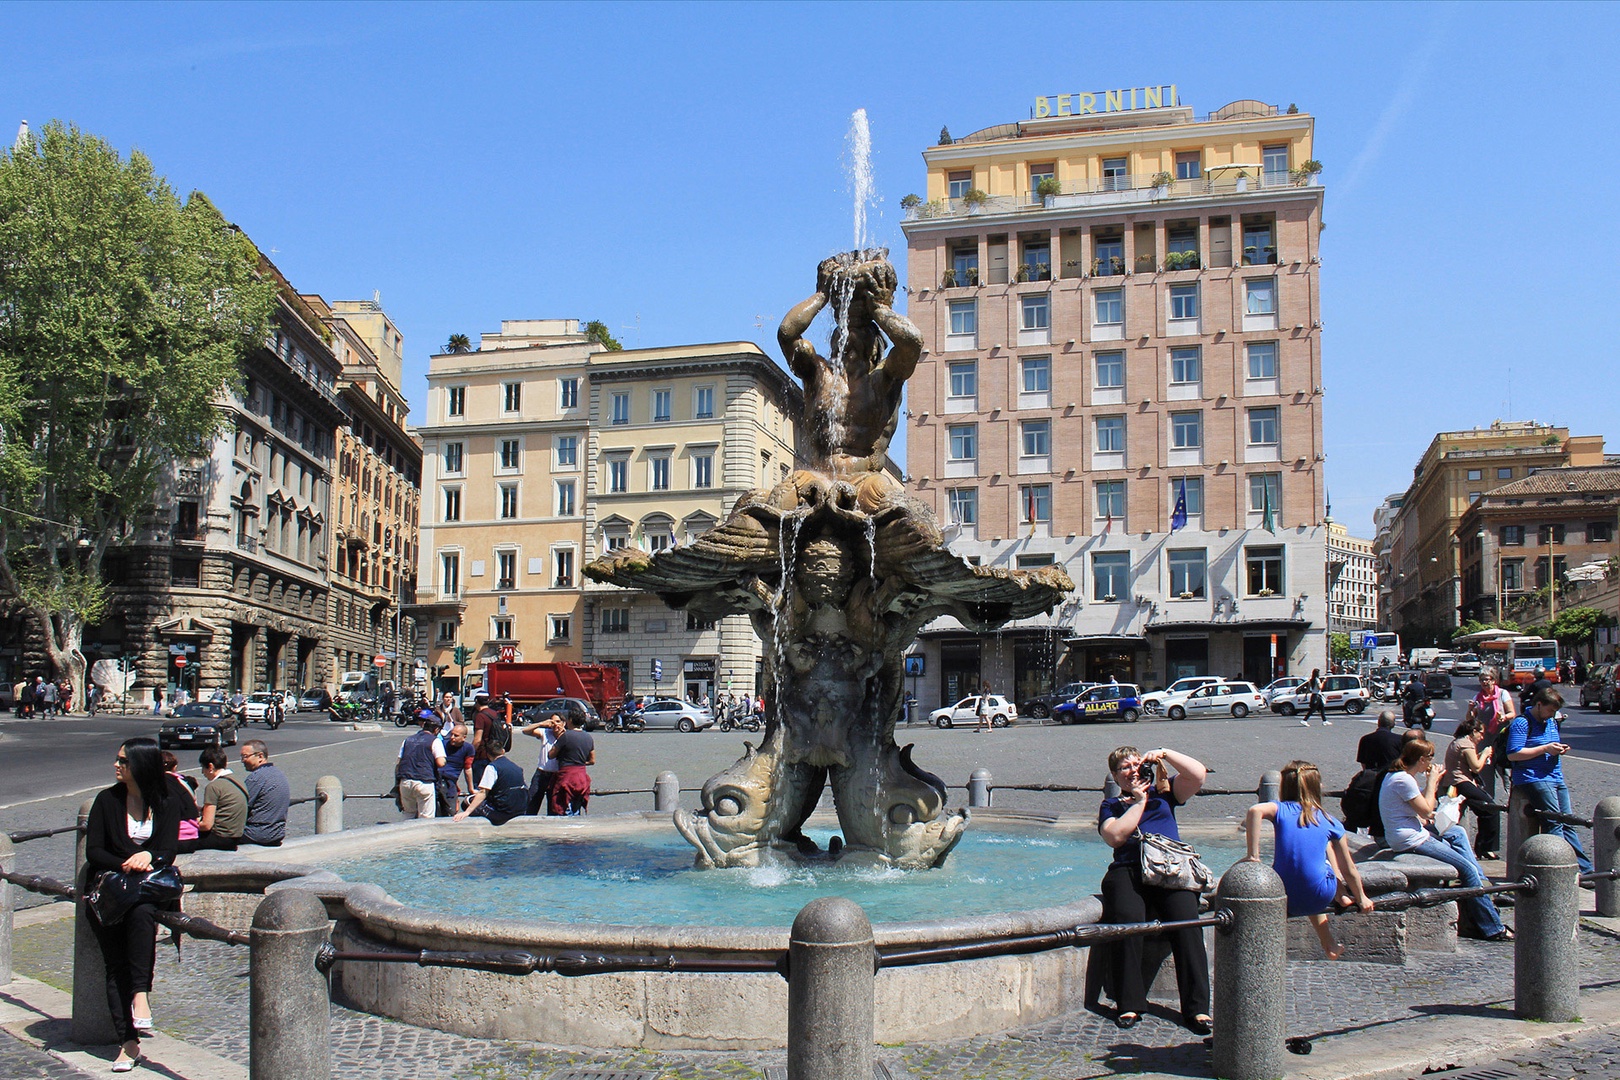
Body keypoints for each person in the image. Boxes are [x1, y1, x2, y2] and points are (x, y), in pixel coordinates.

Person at [85, 737, 186, 1071]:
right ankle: (128, 1041)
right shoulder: (106, 800)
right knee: (115, 965)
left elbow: (168, 850)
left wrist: (150, 855)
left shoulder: (167, 801)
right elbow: (94, 852)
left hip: (144, 893)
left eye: (123, 761)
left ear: (140, 765)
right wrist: (127, 861)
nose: (116, 765)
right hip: (112, 893)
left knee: (143, 915)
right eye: (117, 760)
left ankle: (140, 994)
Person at [1096, 745, 1211, 1033]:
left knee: (1186, 923)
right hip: (1128, 870)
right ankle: (1129, 1003)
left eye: (1136, 764)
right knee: (1127, 922)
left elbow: (1197, 776)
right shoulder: (1111, 805)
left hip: (1169, 869)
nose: (1132, 770)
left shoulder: (1166, 792)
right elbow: (1114, 837)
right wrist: (1137, 802)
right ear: (1114, 775)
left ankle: (1197, 1009)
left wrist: (1165, 753)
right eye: (1124, 767)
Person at [1377, 739, 1511, 941]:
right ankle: (1492, 927)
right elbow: (1427, 809)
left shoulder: (1397, 776)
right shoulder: (1403, 780)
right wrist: (1432, 782)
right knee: (1466, 869)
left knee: (1456, 833)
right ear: (1422, 759)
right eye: (1430, 757)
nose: (1432, 762)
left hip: (1410, 832)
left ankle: (1481, 881)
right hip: (1411, 839)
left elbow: (1418, 807)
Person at [1243, 760, 1373, 959]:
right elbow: (1349, 869)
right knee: (1325, 851)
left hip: (1283, 892)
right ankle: (1341, 896)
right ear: (1316, 787)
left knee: (1307, 873)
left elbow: (1254, 810)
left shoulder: (1280, 810)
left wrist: (1254, 856)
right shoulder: (1330, 821)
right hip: (1319, 895)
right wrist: (1362, 897)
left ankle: (1329, 941)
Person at [1508, 687, 1592, 874]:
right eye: (1550, 710)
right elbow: (1514, 754)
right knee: (1553, 821)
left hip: (1555, 775)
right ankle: (1558, 868)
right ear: (1539, 704)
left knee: (1567, 820)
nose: (1552, 715)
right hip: (1534, 777)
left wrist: (1559, 748)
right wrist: (1545, 749)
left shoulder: (1551, 722)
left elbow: (1550, 743)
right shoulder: (1522, 723)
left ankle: (1584, 869)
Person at [1444, 716, 1499, 860]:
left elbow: (1467, 763)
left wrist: (1480, 755)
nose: (1482, 737)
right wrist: (1485, 754)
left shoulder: (1457, 742)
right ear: (1473, 731)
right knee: (1490, 808)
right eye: (1481, 733)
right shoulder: (1466, 744)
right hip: (1461, 782)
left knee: (1483, 810)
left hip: (1454, 782)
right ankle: (1485, 847)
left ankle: (1482, 848)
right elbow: (1476, 767)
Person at [454, 723, 526, 825]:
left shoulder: (492, 767)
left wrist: (466, 812)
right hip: (519, 809)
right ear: (503, 751)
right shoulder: (517, 767)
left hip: (503, 813)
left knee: (467, 801)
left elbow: (483, 792)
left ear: (487, 754)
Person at [178, 747, 248, 853]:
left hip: (220, 838)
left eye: (203, 768)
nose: (202, 772)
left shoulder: (214, 786)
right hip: (236, 836)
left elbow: (206, 825)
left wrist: (189, 822)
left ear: (210, 766)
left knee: (179, 842)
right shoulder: (238, 781)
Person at [238, 740, 289, 847]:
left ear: (260, 756)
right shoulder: (278, 773)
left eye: (245, 756)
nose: (243, 761)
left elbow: (240, 807)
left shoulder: (256, 778)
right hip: (277, 833)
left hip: (258, 834)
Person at [396, 714, 446, 819]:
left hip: (405, 781)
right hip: (424, 781)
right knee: (426, 817)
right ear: (436, 729)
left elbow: (398, 763)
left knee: (408, 813)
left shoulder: (408, 740)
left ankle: (407, 834)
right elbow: (441, 762)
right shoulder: (434, 741)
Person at [549, 711, 596, 816]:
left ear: (570, 720)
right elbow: (592, 760)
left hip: (567, 777)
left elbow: (551, 755)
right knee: (576, 810)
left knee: (564, 808)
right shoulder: (588, 737)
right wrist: (580, 761)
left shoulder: (565, 736)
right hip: (582, 777)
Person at [522, 712, 565, 815]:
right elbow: (525, 731)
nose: (555, 725)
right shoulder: (546, 732)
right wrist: (541, 723)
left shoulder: (566, 737)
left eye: (558, 722)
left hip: (556, 776)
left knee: (553, 808)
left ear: (564, 723)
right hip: (541, 774)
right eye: (553, 722)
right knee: (531, 804)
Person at [161, 752, 201, 848]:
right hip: (193, 836)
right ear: (175, 767)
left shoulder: (158, 783)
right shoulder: (187, 782)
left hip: (173, 838)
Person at [436, 721, 475, 817]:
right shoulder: (442, 744)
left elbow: (468, 768)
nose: (452, 737)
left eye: (456, 735)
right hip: (437, 778)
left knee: (450, 811)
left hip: (451, 781)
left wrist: (471, 788)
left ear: (464, 737)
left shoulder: (468, 748)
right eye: (451, 734)